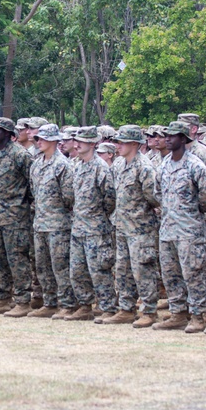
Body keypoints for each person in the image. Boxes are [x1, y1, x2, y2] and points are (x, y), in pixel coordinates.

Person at [154, 122, 206, 332]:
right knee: (170, 274)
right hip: (167, 229)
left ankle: (198, 315)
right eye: (166, 136)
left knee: (193, 273)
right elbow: (157, 192)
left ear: (183, 139)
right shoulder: (164, 164)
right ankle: (178, 313)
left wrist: (192, 211)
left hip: (189, 230)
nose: (168, 139)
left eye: (173, 136)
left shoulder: (195, 165)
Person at [106, 125, 162, 327]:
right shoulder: (118, 165)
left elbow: (154, 198)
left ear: (135, 144)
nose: (118, 145)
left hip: (141, 228)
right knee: (123, 269)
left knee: (143, 269)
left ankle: (149, 310)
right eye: (118, 141)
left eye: (122, 142)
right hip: (121, 226)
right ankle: (126, 308)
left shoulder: (144, 167)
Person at [0, 117, 34, 316]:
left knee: (17, 258)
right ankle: (2, 298)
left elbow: (32, 184)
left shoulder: (20, 155)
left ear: (7, 133)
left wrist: (21, 205)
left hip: (15, 216)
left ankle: (22, 300)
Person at [67, 127, 117, 322]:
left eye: (82, 141)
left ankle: (107, 307)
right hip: (78, 227)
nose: (77, 144)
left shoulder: (101, 167)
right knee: (77, 271)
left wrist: (98, 217)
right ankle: (85, 305)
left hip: (96, 228)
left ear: (93, 144)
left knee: (99, 270)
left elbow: (109, 199)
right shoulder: (76, 166)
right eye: (76, 140)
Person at [28, 124, 74, 319]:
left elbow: (69, 196)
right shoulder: (37, 164)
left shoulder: (63, 165)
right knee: (42, 265)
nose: (39, 142)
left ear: (55, 140)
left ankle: (67, 303)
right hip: (40, 223)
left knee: (60, 265)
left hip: (58, 224)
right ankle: (49, 302)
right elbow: (33, 191)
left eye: (43, 139)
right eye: (38, 139)